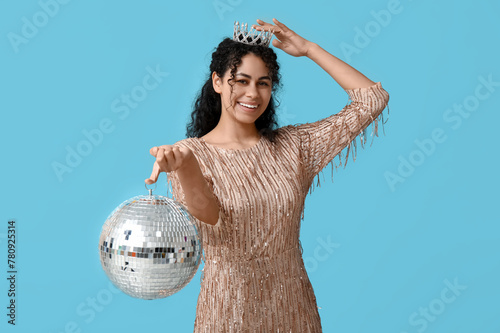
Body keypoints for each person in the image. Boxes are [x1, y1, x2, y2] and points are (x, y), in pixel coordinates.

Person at [145, 18, 389, 332]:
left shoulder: (294, 146)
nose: (253, 93)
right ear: (218, 82)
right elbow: (210, 218)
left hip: (293, 310)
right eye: (242, 81)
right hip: (227, 311)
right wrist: (186, 167)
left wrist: (309, 49)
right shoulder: (189, 154)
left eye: (263, 82)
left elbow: (372, 99)